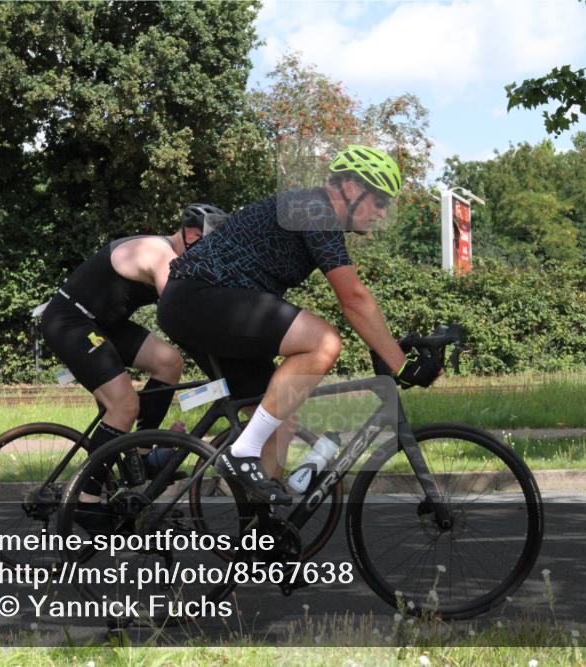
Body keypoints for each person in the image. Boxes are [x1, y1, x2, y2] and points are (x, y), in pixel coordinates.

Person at [158, 145, 443, 505]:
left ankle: (262, 540)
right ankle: (242, 451)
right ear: (353, 190)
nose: (383, 211)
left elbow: (358, 304)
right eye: (381, 199)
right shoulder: (314, 208)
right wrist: (401, 366)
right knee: (323, 342)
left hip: (206, 304)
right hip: (199, 298)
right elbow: (353, 298)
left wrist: (388, 351)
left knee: (279, 422)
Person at [40, 204, 226, 505]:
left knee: (168, 362)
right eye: (213, 249)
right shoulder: (161, 256)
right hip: (70, 322)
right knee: (125, 405)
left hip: (103, 325)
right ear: (192, 236)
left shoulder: (178, 256)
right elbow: (182, 316)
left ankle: (140, 457)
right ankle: (85, 500)